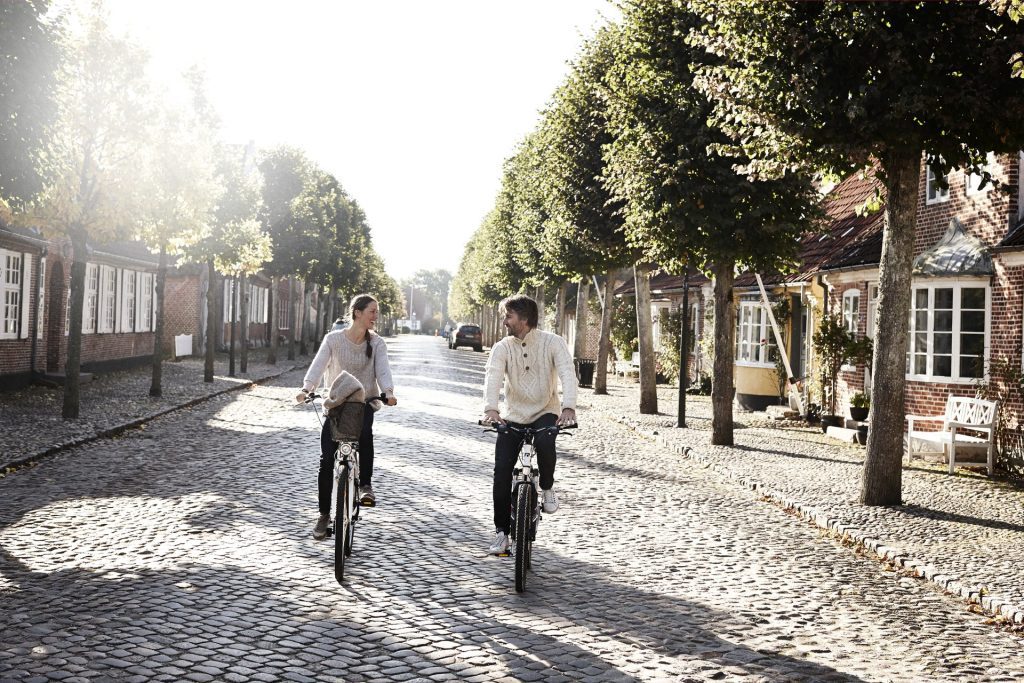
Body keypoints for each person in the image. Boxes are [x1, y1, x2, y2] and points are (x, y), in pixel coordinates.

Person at [295, 294, 397, 540]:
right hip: (336, 406)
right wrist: (306, 389)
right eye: (372, 311)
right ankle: (323, 515)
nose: (376, 316)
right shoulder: (333, 340)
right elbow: (319, 365)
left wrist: (388, 392)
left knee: (365, 434)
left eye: (377, 311)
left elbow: (382, 369)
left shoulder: (377, 343)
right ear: (357, 313)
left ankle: (365, 485)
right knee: (326, 460)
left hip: (364, 404)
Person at [482, 294, 578, 555]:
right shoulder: (502, 347)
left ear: (524, 319)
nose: (504, 322)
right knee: (501, 470)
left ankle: (546, 488)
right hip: (512, 414)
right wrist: (491, 408)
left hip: (545, 411)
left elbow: (568, 373)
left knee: (547, 442)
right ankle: (502, 533)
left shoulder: (553, 343)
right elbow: (492, 377)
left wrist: (568, 405)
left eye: (508, 316)